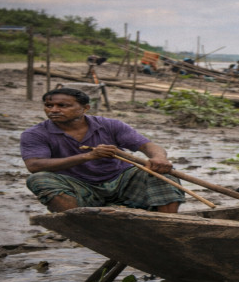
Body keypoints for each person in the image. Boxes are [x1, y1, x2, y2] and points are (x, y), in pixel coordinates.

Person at [21, 88, 185, 213]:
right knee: (39, 179)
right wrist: (88, 156)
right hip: (78, 186)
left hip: (121, 181)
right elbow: (34, 165)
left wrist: (159, 158)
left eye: (62, 106)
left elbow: (147, 145)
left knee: (162, 172)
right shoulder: (35, 134)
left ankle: (167, 222)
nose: (54, 110)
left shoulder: (110, 125)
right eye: (49, 106)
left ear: (85, 108)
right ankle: (80, 225)